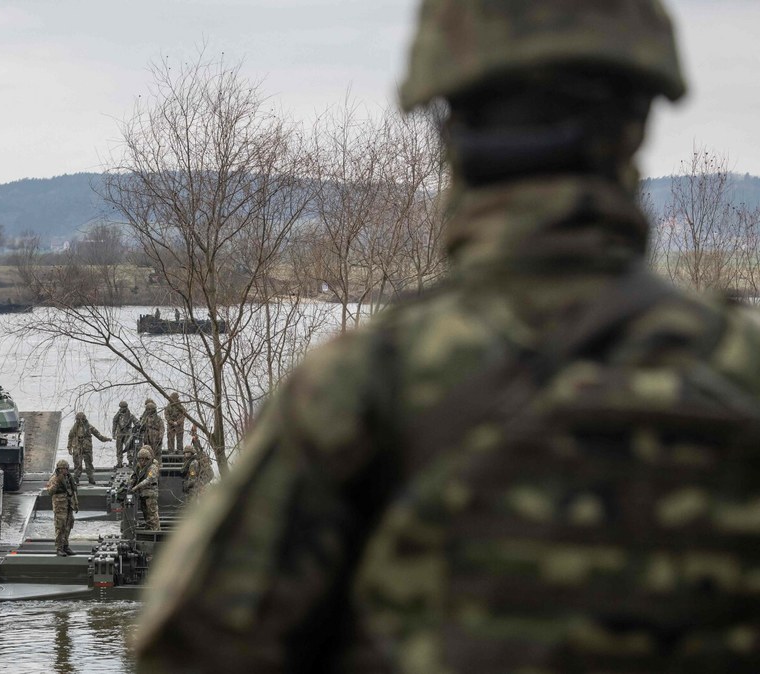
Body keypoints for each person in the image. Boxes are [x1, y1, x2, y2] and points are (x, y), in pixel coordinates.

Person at [134, 2, 760, 671]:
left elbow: (193, 650)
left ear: (450, 131)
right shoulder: (741, 373)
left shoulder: (360, 390)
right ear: (634, 127)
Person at [44, 459, 79, 556]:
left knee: (68, 526)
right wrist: (57, 482)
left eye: (67, 468)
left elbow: (73, 491)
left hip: (68, 505)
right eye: (65, 469)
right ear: (60, 469)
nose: (67, 471)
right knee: (60, 527)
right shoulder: (55, 478)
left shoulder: (68, 478)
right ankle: (59, 548)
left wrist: (75, 503)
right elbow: (50, 492)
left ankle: (65, 546)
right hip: (60, 507)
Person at [67, 412, 111, 485]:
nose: (79, 421)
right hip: (77, 447)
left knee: (89, 463)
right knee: (77, 463)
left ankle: (91, 478)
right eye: (77, 420)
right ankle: (76, 478)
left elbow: (98, 435)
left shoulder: (89, 427)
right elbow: (70, 437)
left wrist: (106, 439)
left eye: (80, 420)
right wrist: (69, 447)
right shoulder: (74, 428)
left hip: (87, 447)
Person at [125, 446, 160, 531]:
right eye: (140, 459)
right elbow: (134, 475)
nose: (142, 461)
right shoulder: (140, 466)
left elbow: (149, 479)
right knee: (145, 512)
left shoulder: (152, 467)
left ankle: (156, 530)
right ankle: (148, 527)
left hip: (150, 493)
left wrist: (136, 487)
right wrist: (130, 484)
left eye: (144, 459)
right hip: (143, 493)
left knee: (152, 513)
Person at [112, 401, 137, 468]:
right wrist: (113, 433)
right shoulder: (117, 416)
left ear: (126, 407)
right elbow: (114, 424)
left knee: (129, 448)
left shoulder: (130, 416)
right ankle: (119, 462)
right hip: (119, 434)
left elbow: (136, 423)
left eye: (123, 407)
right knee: (119, 449)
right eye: (121, 407)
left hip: (127, 434)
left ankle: (130, 462)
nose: (121, 409)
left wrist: (136, 430)